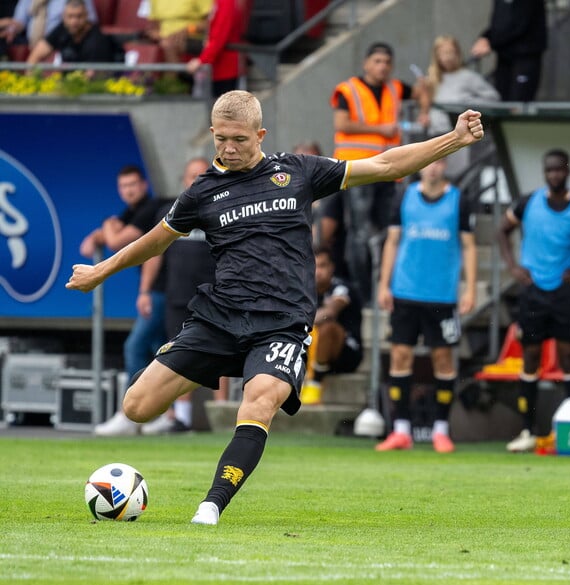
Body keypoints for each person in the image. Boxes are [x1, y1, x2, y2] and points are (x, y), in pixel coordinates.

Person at [66, 90, 484, 525]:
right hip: (220, 317)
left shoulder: (297, 172)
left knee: (259, 401)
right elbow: (155, 240)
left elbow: (384, 165)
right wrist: (101, 271)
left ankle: (211, 505)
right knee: (137, 406)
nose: (229, 148)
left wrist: (451, 140)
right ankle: (204, 372)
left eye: (240, 140)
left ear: (260, 135)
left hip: (281, 324)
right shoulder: (202, 192)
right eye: (221, 138)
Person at [374, 158, 477, 453]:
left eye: (440, 162)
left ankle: (441, 430)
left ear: (446, 166)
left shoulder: (459, 201)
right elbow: (392, 242)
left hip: (442, 295)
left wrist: (469, 289)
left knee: (443, 360)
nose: (433, 168)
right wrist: (384, 284)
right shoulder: (404, 196)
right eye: (428, 163)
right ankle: (401, 430)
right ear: (420, 166)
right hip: (406, 291)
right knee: (400, 357)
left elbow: (469, 246)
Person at [497, 149, 570, 453]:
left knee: (567, 359)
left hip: (564, 292)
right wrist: (513, 266)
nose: (554, 175)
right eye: (548, 170)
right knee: (531, 359)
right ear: (544, 172)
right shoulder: (528, 202)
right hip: (533, 291)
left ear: (567, 171)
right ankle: (528, 430)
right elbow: (502, 229)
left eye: (558, 170)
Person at [328, 41, 429, 303]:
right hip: (357, 169)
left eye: (386, 62)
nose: (382, 67)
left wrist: (425, 109)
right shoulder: (348, 90)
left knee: (389, 232)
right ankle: (363, 294)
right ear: (366, 63)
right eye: (377, 61)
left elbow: (421, 91)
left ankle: (384, 288)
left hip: (388, 171)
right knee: (359, 234)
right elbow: (341, 123)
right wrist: (379, 130)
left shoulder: (395, 88)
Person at [80, 165, 167, 437]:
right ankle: (165, 414)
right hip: (161, 291)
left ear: (143, 184)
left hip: (163, 290)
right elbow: (97, 241)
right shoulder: (132, 211)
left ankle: (131, 413)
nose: (128, 190)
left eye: (132, 184)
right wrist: (103, 232)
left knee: (135, 346)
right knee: (159, 348)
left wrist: (105, 225)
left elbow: (116, 240)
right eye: (123, 186)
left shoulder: (149, 209)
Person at [141, 157, 222, 435]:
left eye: (202, 175)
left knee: (219, 357)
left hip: (215, 297)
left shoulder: (224, 210)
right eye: (191, 176)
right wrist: (145, 291)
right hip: (178, 296)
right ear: (183, 180)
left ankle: (219, 420)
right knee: (178, 355)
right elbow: (153, 253)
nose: (196, 181)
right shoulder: (170, 211)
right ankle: (182, 419)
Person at [418, 34, 499, 178]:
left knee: (458, 176)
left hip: (458, 135)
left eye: (451, 52)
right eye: (443, 53)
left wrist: (467, 103)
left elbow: (493, 98)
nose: (448, 57)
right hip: (435, 134)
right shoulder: (433, 77)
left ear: (458, 54)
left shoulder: (468, 77)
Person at [300, 246, 364, 406]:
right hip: (315, 352)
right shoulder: (304, 290)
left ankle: (314, 385)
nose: (318, 271)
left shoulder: (341, 287)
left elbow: (331, 311)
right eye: (315, 266)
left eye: (322, 266)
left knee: (327, 327)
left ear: (331, 267)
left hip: (347, 353)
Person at [470, 0, 547, 102]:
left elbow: (520, 24)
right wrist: (485, 37)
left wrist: (491, 42)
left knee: (518, 102)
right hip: (504, 56)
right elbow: (498, 24)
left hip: (525, 56)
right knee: (501, 100)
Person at [184, 0, 247, 97]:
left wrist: (202, 60)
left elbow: (219, 37)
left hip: (226, 69)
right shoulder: (220, 2)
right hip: (218, 68)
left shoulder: (226, 3)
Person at [25, 0, 117, 65]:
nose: (74, 21)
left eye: (79, 16)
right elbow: (34, 56)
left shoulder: (97, 41)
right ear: (63, 17)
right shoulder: (62, 29)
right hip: (67, 85)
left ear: (87, 16)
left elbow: (92, 78)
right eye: (70, 16)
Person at [2, 0, 97, 48]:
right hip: (31, 41)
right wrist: (11, 30)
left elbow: (90, 21)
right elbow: (19, 22)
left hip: (63, 41)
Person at [146, 0, 211, 65]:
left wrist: (188, 30)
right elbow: (155, 25)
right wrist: (155, 33)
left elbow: (210, 22)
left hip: (194, 37)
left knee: (168, 44)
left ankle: (173, 74)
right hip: (165, 38)